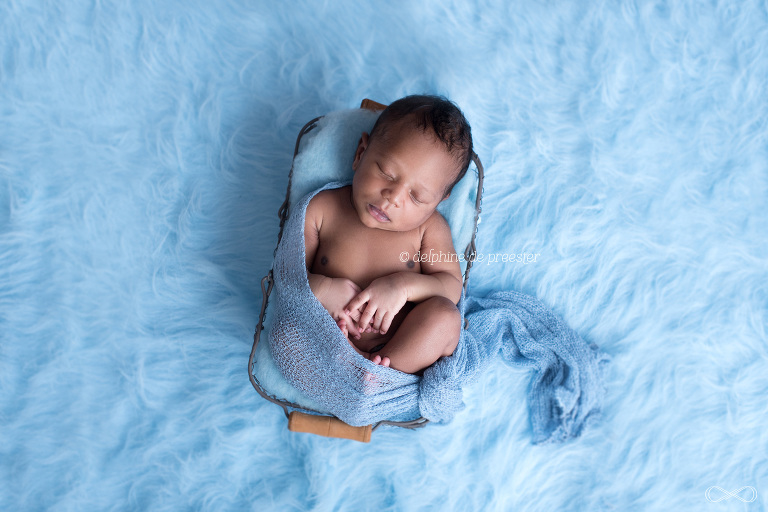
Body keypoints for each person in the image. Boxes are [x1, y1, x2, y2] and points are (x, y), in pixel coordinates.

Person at [304, 95, 473, 375]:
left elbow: (451, 286)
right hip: (326, 339)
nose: (393, 198)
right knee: (285, 332)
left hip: (396, 347)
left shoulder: (429, 228)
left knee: (446, 318)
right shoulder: (322, 209)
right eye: (387, 173)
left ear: (438, 202)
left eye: (417, 197)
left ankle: (380, 375)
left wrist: (403, 286)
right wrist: (323, 290)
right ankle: (359, 374)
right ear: (361, 153)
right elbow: (287, 274)